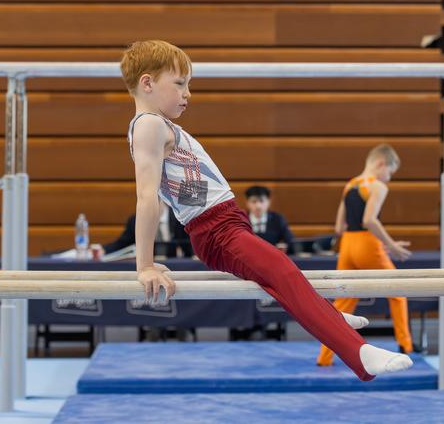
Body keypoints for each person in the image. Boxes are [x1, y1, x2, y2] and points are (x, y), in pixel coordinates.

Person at [120, 40, 412, 381]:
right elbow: (146, 197)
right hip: (216, 230)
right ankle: (359, 354)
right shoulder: (148, 126)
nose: (188, 94)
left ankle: (320, 315)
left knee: (282, 274)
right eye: (180, 83)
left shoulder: (159, 125)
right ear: (147, 83)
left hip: (227, 222)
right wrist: (144, 266)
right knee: (283, 272)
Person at [317, 144, 415, 367]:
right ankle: (406, 345)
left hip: (347, 245)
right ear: (381, 164)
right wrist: (391, 245)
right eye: (390, 172)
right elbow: (369, 220)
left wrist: (381, 245)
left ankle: (324, 357)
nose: (389, 178)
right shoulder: (377, 186)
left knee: (342, 302)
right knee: (398, 292)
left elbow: (339, 227)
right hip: (366, 243)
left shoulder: (350, 185)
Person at [102, 204, 194, 258]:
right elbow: (122, 244)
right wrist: (102, 250)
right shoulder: (136, 220)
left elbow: (189, 245)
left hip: (176, 266)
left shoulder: (180, 218)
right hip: (149, 264)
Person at [245, 185, 294, 253]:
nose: (258, 206)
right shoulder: (241, 220)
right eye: (254, 201)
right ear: (247, 203)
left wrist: (285, 247)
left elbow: (290, 242)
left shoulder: (278, 219)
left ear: (268, 202)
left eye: (261, 201)